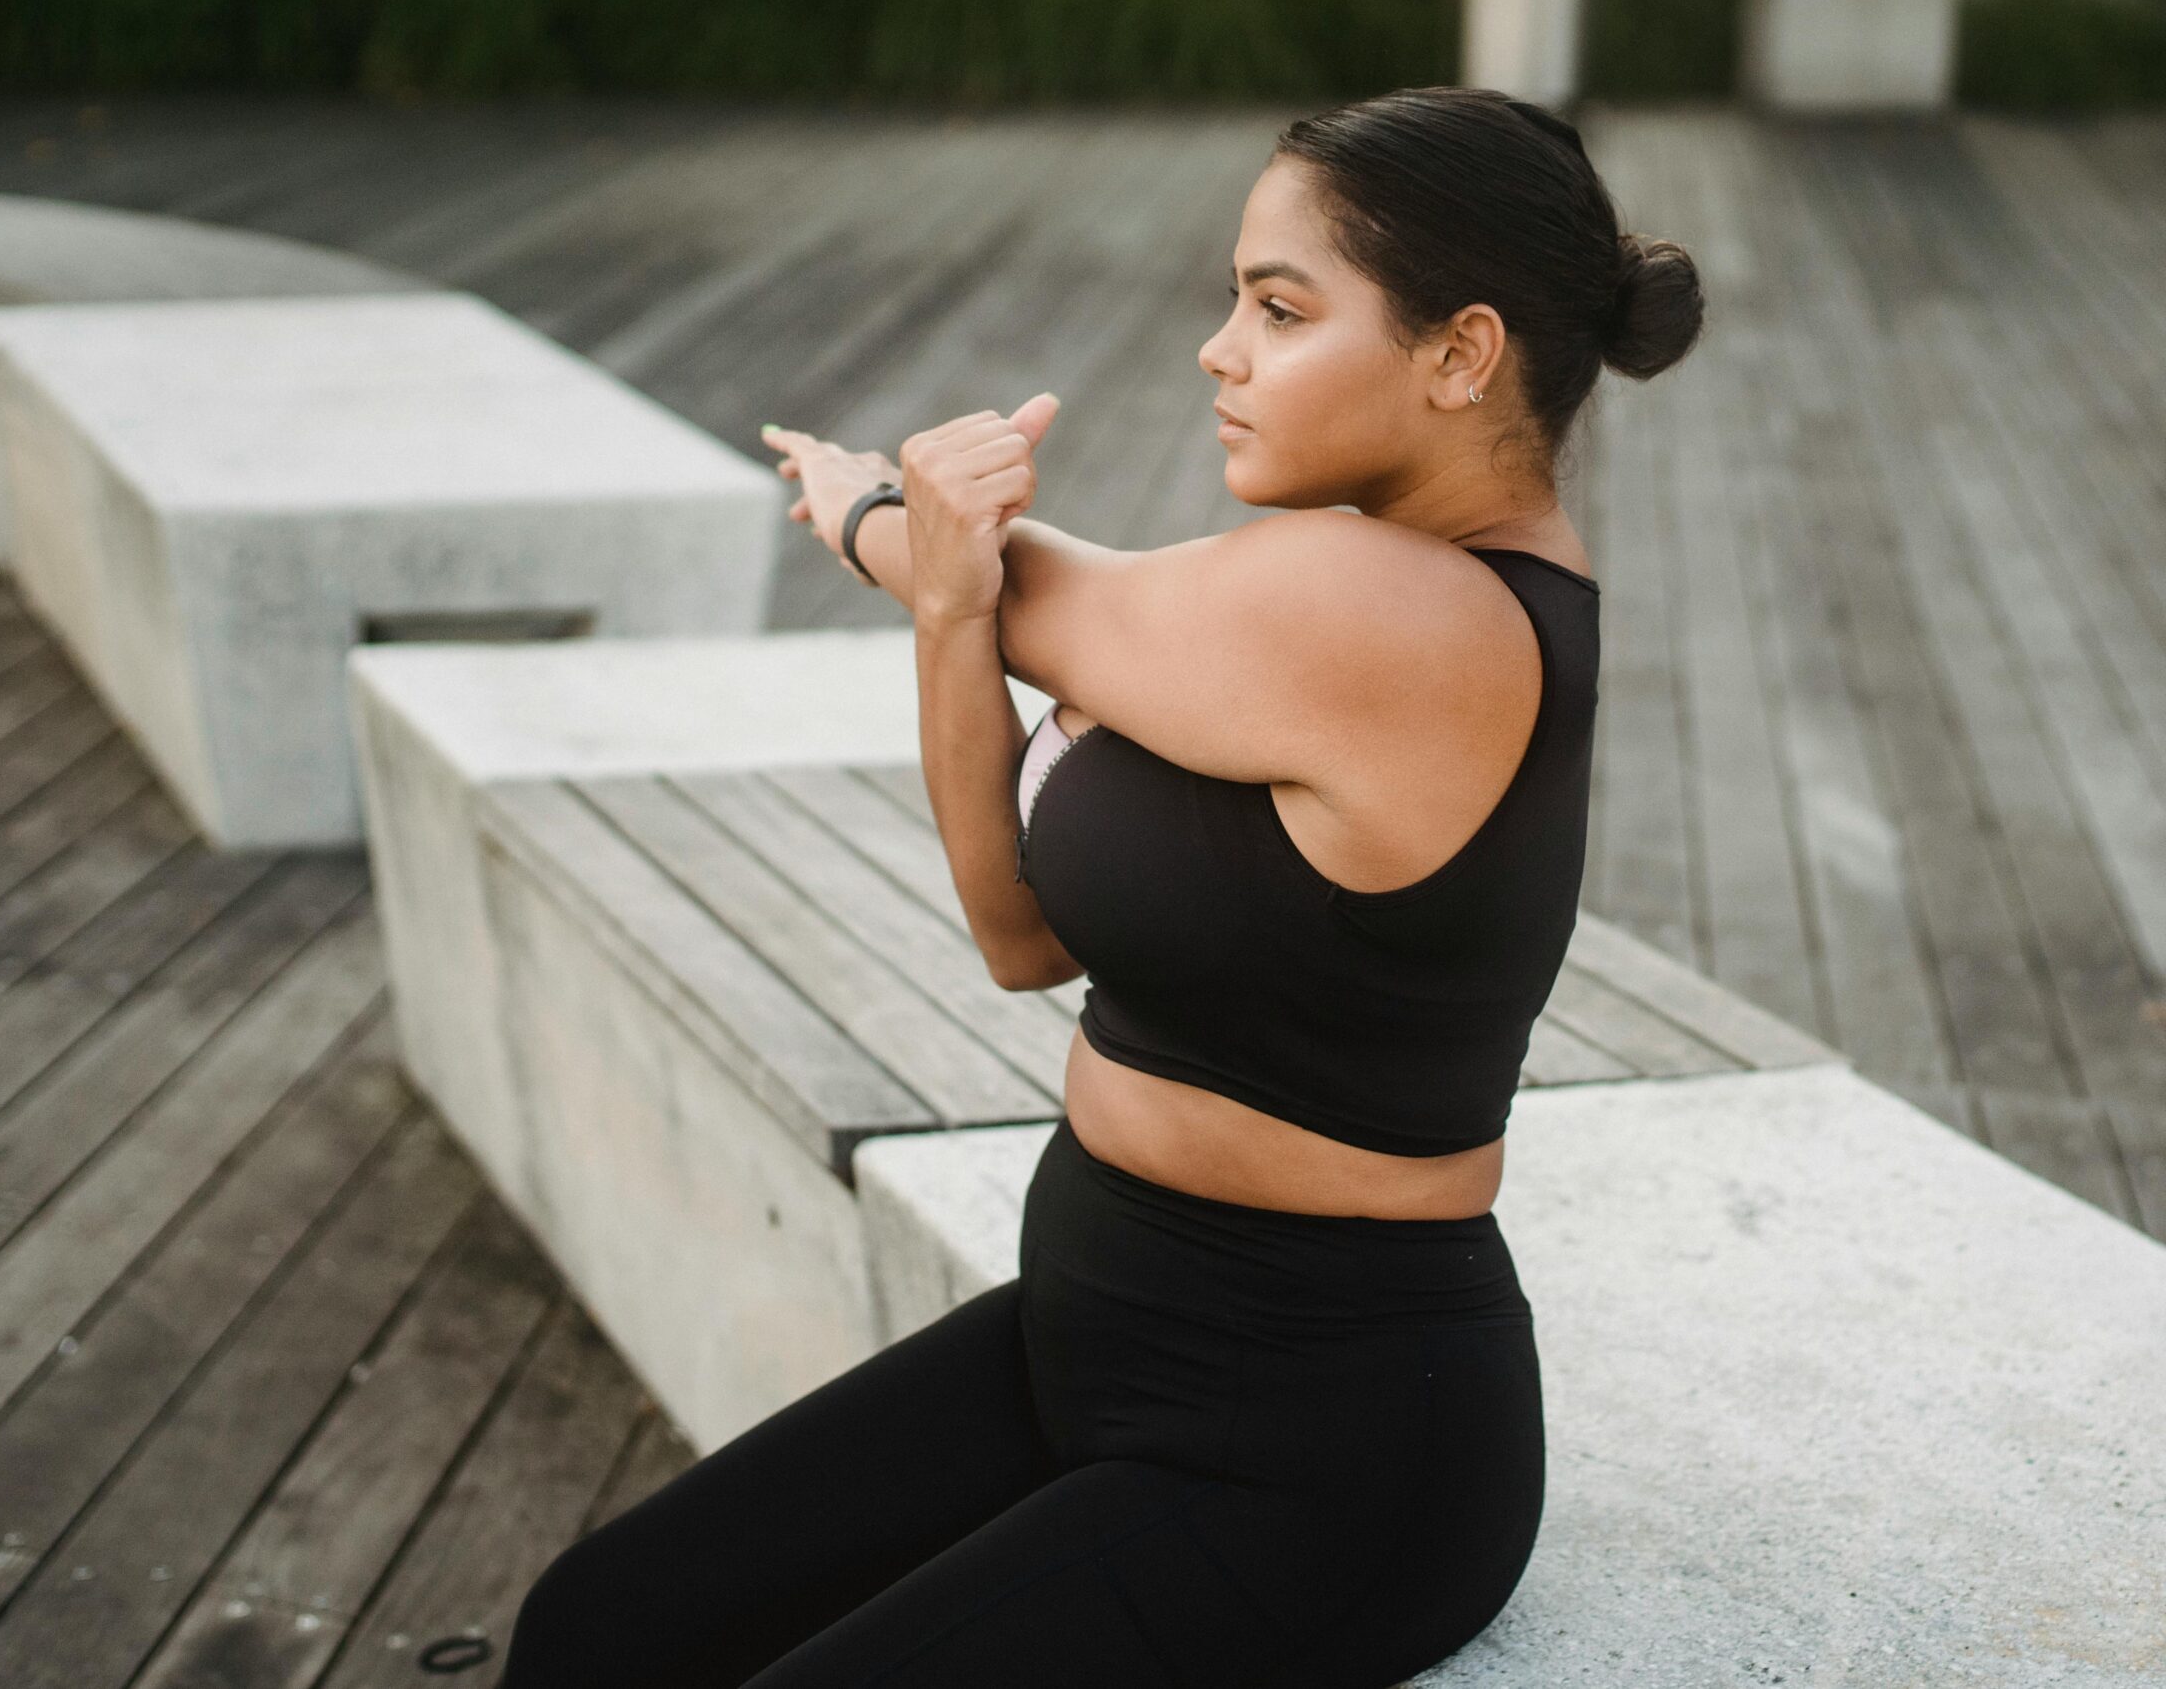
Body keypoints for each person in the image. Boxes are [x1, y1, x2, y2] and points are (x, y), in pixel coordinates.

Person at [484, 85, 1704, 1688]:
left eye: (1280, 307)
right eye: (1231, 299)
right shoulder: (1300, 605)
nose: (1220, 348)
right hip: (1095, 1324)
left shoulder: (1414, 616)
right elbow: (1016, 935)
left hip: (1327, 1445)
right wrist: (940, 611)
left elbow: (1030, 589)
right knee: (600, 1629)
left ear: (1460, 355)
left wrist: (880, 516)